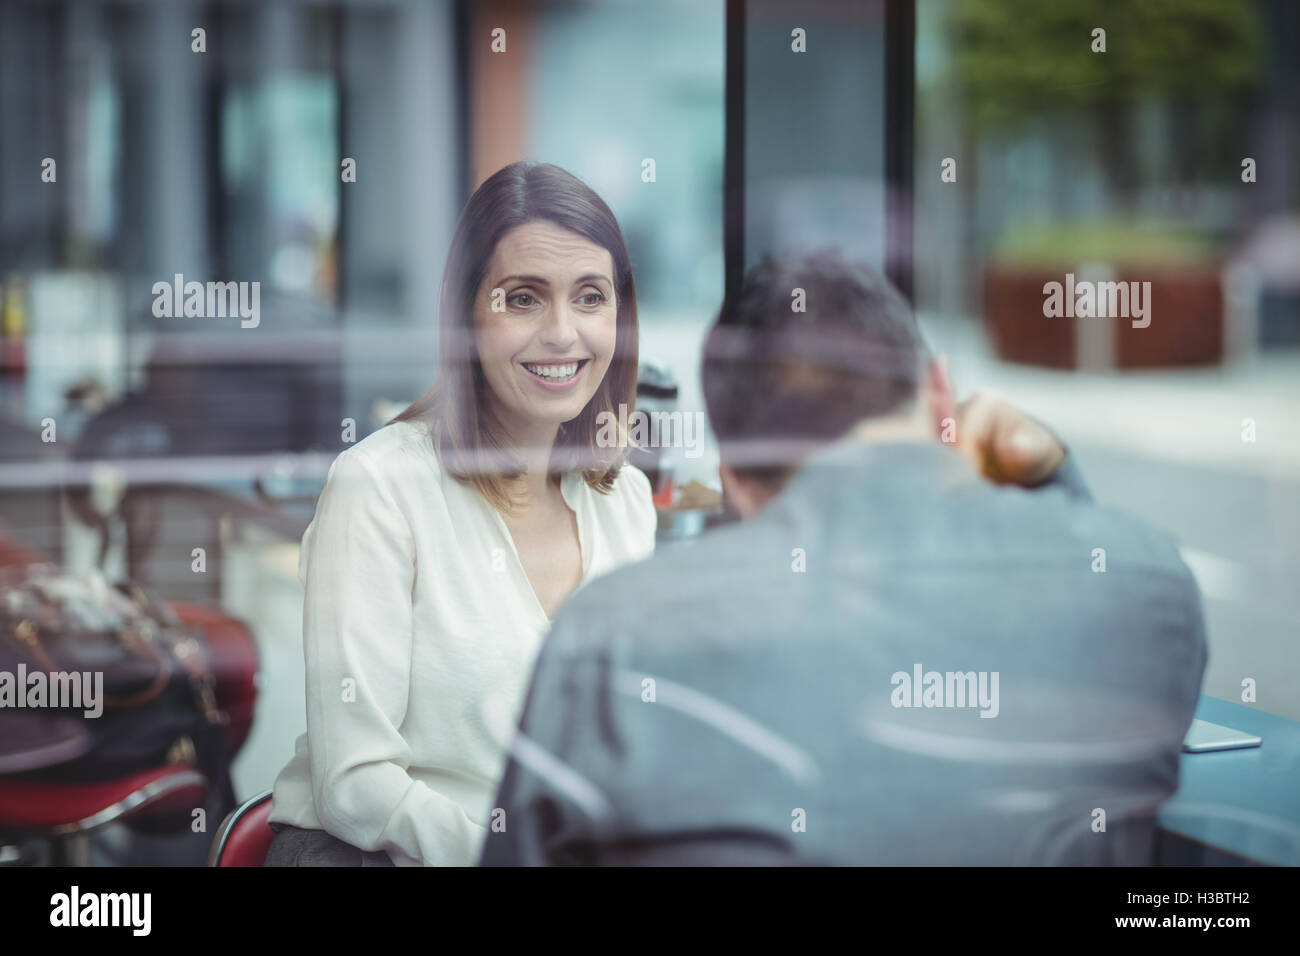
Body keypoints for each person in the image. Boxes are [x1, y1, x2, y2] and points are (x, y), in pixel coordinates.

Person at [481, 252, 1208, 866]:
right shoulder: (1149, 589)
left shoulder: (614, 638)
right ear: (941, 394)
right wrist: (1052, 472)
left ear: (732, 474)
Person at [265, 163, 657, 866]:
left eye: (591, 296)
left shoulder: (622, 500)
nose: (563, 332)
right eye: (523, 299)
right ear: (466, 315)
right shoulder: (379, 488)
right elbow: (353, 783)